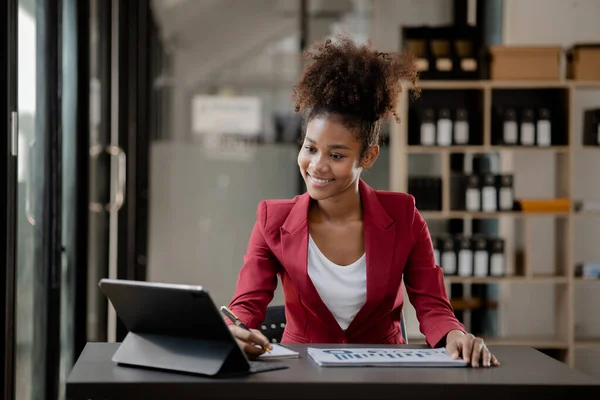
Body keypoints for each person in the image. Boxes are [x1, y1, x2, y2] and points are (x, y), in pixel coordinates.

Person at [225, 33, 499, 368]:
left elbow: (432, 305)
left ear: (368, 157)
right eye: (310, 148)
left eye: (336, 155)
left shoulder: (404, 217)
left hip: (384, 373)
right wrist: (231, 329)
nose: (317, 165)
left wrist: (454, 334)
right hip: (302, 376)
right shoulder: (273, 221)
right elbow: (246, 305)